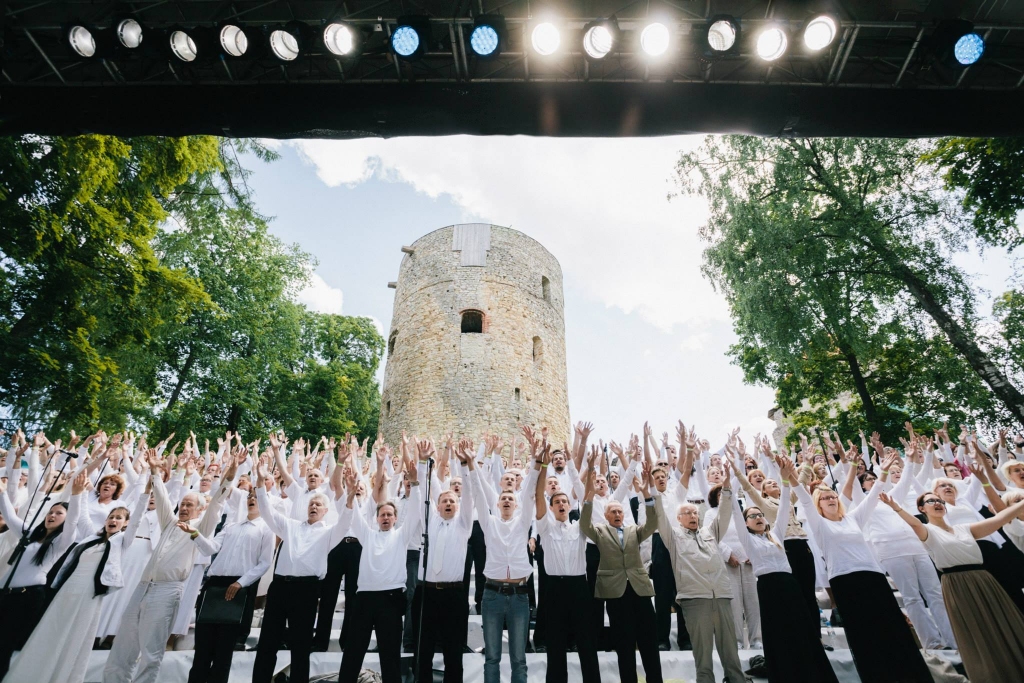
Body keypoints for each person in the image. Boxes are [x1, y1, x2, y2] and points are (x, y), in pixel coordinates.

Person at [793, 454, 932, 683]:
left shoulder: (853, 518)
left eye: (833, 497)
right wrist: (793, 478)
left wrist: (884, 471)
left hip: (873, 576)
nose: (831, 500)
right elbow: (805, 500)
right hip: (844, 580)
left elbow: (873, 495)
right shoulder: (818, 524)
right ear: (818, 504)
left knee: (891, 628)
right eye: (826, 498)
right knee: (864, 634)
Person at [6, 470, 146, 683]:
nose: (113, 520)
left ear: (125, 524)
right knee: (52, 628)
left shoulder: (121, 542)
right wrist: (78, 493)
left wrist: (145, 492)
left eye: (119, 518)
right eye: (111, 516)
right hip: (68, 589)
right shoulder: (91, 536)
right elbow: (78, 517)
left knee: (72, 636)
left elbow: (136, 519)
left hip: (88, 595)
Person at [103, 450, 231, 683]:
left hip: (167, 590)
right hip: (143, 586)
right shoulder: (170, 522)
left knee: (151, 650)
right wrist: (154, 471)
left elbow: (217, 504)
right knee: (124, 643)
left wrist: (229, 476)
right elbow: (161, 497)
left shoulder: (200, 526)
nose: (184, 507)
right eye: (182, 504)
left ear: (199, 509)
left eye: (189, 505)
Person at [879, 487, 1024, 683]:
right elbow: (913, 524)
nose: (937, 503)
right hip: (957, 585)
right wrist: (896, 507)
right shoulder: (927, 531)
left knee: (1004, 623)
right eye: (931, 501)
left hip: (984, 580)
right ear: (922, 509)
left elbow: (998, 520)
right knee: (977, 632)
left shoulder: (965, 528)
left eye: (940, 501)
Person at [730, 457, 839, 683]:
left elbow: (784, 508)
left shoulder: (776, 535)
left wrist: (785, 479)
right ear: (746, 523)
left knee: (801, 628)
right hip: (769, 587)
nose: (758, 517)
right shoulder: (748, 541)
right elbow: (736, 511)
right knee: (777, 633)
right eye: (753, 516)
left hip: (789, 585)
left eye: (760, 515)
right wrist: (733, 482)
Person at [252, 453, 347, 683]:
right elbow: (266, 512)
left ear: (325, 510)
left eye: (318, 504)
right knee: (267, 643)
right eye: (311, 503)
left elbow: (347, 519)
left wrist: (344, 475)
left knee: (301, 646)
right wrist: (260, 483)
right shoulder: (290, 526)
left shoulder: (330, 532)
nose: (314, 506)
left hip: (306, 590)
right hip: (280, 587)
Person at [336, 441, 426, 683]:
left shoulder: (401, 536)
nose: (386, 517)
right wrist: (350, 489)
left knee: (390, 656)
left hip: (391, 600)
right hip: (364, 599)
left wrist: (416, 484)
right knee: (354, 652)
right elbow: (352, 515)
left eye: (389, 514)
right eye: (382, 515)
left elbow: (417, 512)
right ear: (376, 518)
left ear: (396, 518)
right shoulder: (366, 535)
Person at [655, 457, 746, 683]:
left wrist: (726, 489)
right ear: (678, 519)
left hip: (722, 596)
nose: (693, 516)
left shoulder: (709, 533)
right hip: (695, 600)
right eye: (688, 513)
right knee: (703, 657)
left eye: (695, 513)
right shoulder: (673, 537)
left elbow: (724, 514)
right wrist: (653, 493)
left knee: (731, 656)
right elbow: (659, 516)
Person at [580, 451, 661, 683]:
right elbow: (585, 524)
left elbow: (653, 522)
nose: (617, 514)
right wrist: (588, 497)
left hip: (640, 590)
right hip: (616, 593)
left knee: (649, 643)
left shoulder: (634, 530)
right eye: (613, 512)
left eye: (619, 511)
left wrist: (646, 493)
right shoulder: (600, 531)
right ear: (605, 516)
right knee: (624, 645)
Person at [468, 427, 541, 683]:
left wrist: (536, 459)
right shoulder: (489, 524)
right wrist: (470, 464)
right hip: (492, 596)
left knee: (519, 659)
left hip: (520, 597)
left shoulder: (522, 524)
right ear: (497, 504)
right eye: (504, 498)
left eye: (511, 497)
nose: (508, 500)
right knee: (492, 658)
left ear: (517, 504)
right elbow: (477, 491)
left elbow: (531, 488)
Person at [186, 485, 274, 683]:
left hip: (239, 587)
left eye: (257, 497)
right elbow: (211, 548)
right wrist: (194, 533)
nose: (252, 499)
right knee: (203, 648)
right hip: (214, 585)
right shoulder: (231, 526)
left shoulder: (266, 529)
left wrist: (241, 583)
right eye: (249, 496)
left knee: (223, 651)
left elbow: (265, 563)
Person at [533, 447, 601, 683]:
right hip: (554, 589)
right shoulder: (545, 527)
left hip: (578, 588)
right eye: (557, 502)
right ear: (552, 508)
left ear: (570, 507)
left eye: (564, 501)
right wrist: (542, 465)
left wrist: (590, 468)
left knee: (586, 643)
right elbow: (538, 495)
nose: (561, 503)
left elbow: (588, 497)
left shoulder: (580, 528)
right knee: (555, 644)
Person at [411, 441, 476, 683]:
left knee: (452, 651)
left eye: (452, 501)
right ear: (437, 506)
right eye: (444, 501)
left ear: (457, 507)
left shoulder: (463, 525)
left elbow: (469, 496)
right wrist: (421, 462)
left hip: (453, 595)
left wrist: (464, 466)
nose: (448, 503)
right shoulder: (429, 522)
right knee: (423, 650)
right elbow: (420, 497)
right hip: (426, 593)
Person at [0, 475, 76, 679]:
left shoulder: (60, 542)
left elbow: (72, 524)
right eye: (50, 512)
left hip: (27, 598)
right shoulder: (31, 534)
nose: (52, 515)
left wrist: (76, 497)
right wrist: (2, 491)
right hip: (5, 594)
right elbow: (9, 516)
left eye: (58, 513)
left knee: (4, 645)